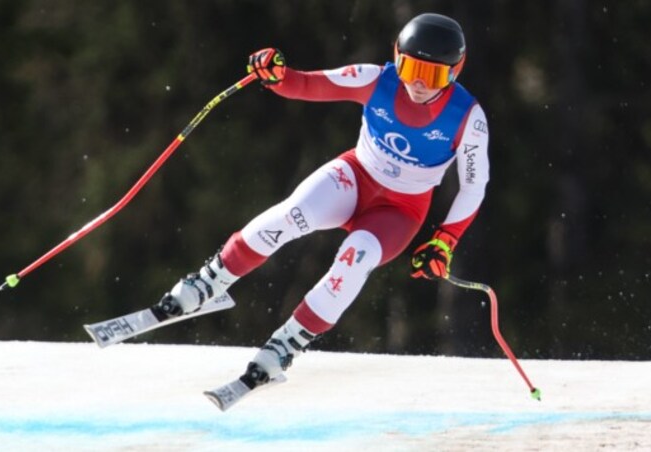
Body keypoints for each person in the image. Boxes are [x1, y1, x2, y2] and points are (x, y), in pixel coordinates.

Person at [151, 13, 490, 389]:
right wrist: (278, 76)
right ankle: (210, 281)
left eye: (434, 75)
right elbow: (312, 85)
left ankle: (286, 344)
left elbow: (474, 186)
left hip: (401, 210)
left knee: (354, 257)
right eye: (410, 67)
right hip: (355, 175)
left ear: (455, 72)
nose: (418, 84)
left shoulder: (467, 118)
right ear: (396, 56)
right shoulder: (378, 79)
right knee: (291, 214)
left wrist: (445, 239)